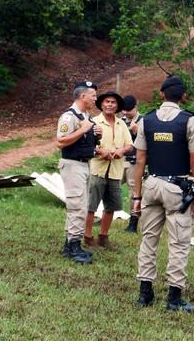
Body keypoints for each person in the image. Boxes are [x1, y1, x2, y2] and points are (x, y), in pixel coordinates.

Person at [132, 75, 194, 312]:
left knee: (148, 239)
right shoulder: (189, 121)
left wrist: (136, 195)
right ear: (183, 96)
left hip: (152, 184)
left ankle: (145, 293)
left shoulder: (147, 121)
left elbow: (140, 159)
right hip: (177, 189)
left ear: (162, 94)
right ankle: (174, 297)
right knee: (179, 242)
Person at [56, 80, 102, 264]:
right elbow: (60, 141)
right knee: (77, 206)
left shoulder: (86, 116)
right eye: (93, 95)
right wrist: (83, 129)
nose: (95, 99)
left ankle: (70, 243)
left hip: (84, 164)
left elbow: (85, 138)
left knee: (80, 205)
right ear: (82, 96)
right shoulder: (69, 116)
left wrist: (96, 133)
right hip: (73, 165)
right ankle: (73, 246)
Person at [84, 91, 133, 249]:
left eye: (113, 102)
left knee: (111, 206)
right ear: (101, 104)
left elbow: (129, 145)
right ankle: (88, 237)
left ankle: (103, 237)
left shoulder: (121, 124)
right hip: (97, 169)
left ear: (117, 106)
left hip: (115, 170)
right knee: (91, 206)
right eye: (107, 102)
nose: (110, 104)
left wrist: (120, 151)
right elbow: (87, 145)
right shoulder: (93, 122)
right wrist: (101, 151)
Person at [121, 94, 142, 233]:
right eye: (124, 110)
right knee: (109, 188)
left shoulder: (143, 121)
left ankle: (133, 222)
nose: (126, 113)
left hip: (134, 162)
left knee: (134, 193)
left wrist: (137, 132)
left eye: (129, 110)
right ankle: (105, 214)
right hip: (118, 161)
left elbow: (149, 142)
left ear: (136, 106)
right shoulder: (120, 121)